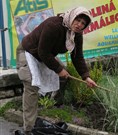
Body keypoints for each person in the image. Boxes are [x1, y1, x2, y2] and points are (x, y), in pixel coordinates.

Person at [16, 7, 97, 135]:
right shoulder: (54, 25)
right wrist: (58, 69)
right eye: (78, 20)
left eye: (83, 23)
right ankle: (28, 129)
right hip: (29, 52)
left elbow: (77, 57)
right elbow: (43, 51)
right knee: (31, 86)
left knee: (64, 76)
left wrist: (86, 77)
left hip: (45, 55)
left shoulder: (77, 34)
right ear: (72, 16)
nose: (79, 25)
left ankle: (52, 105)